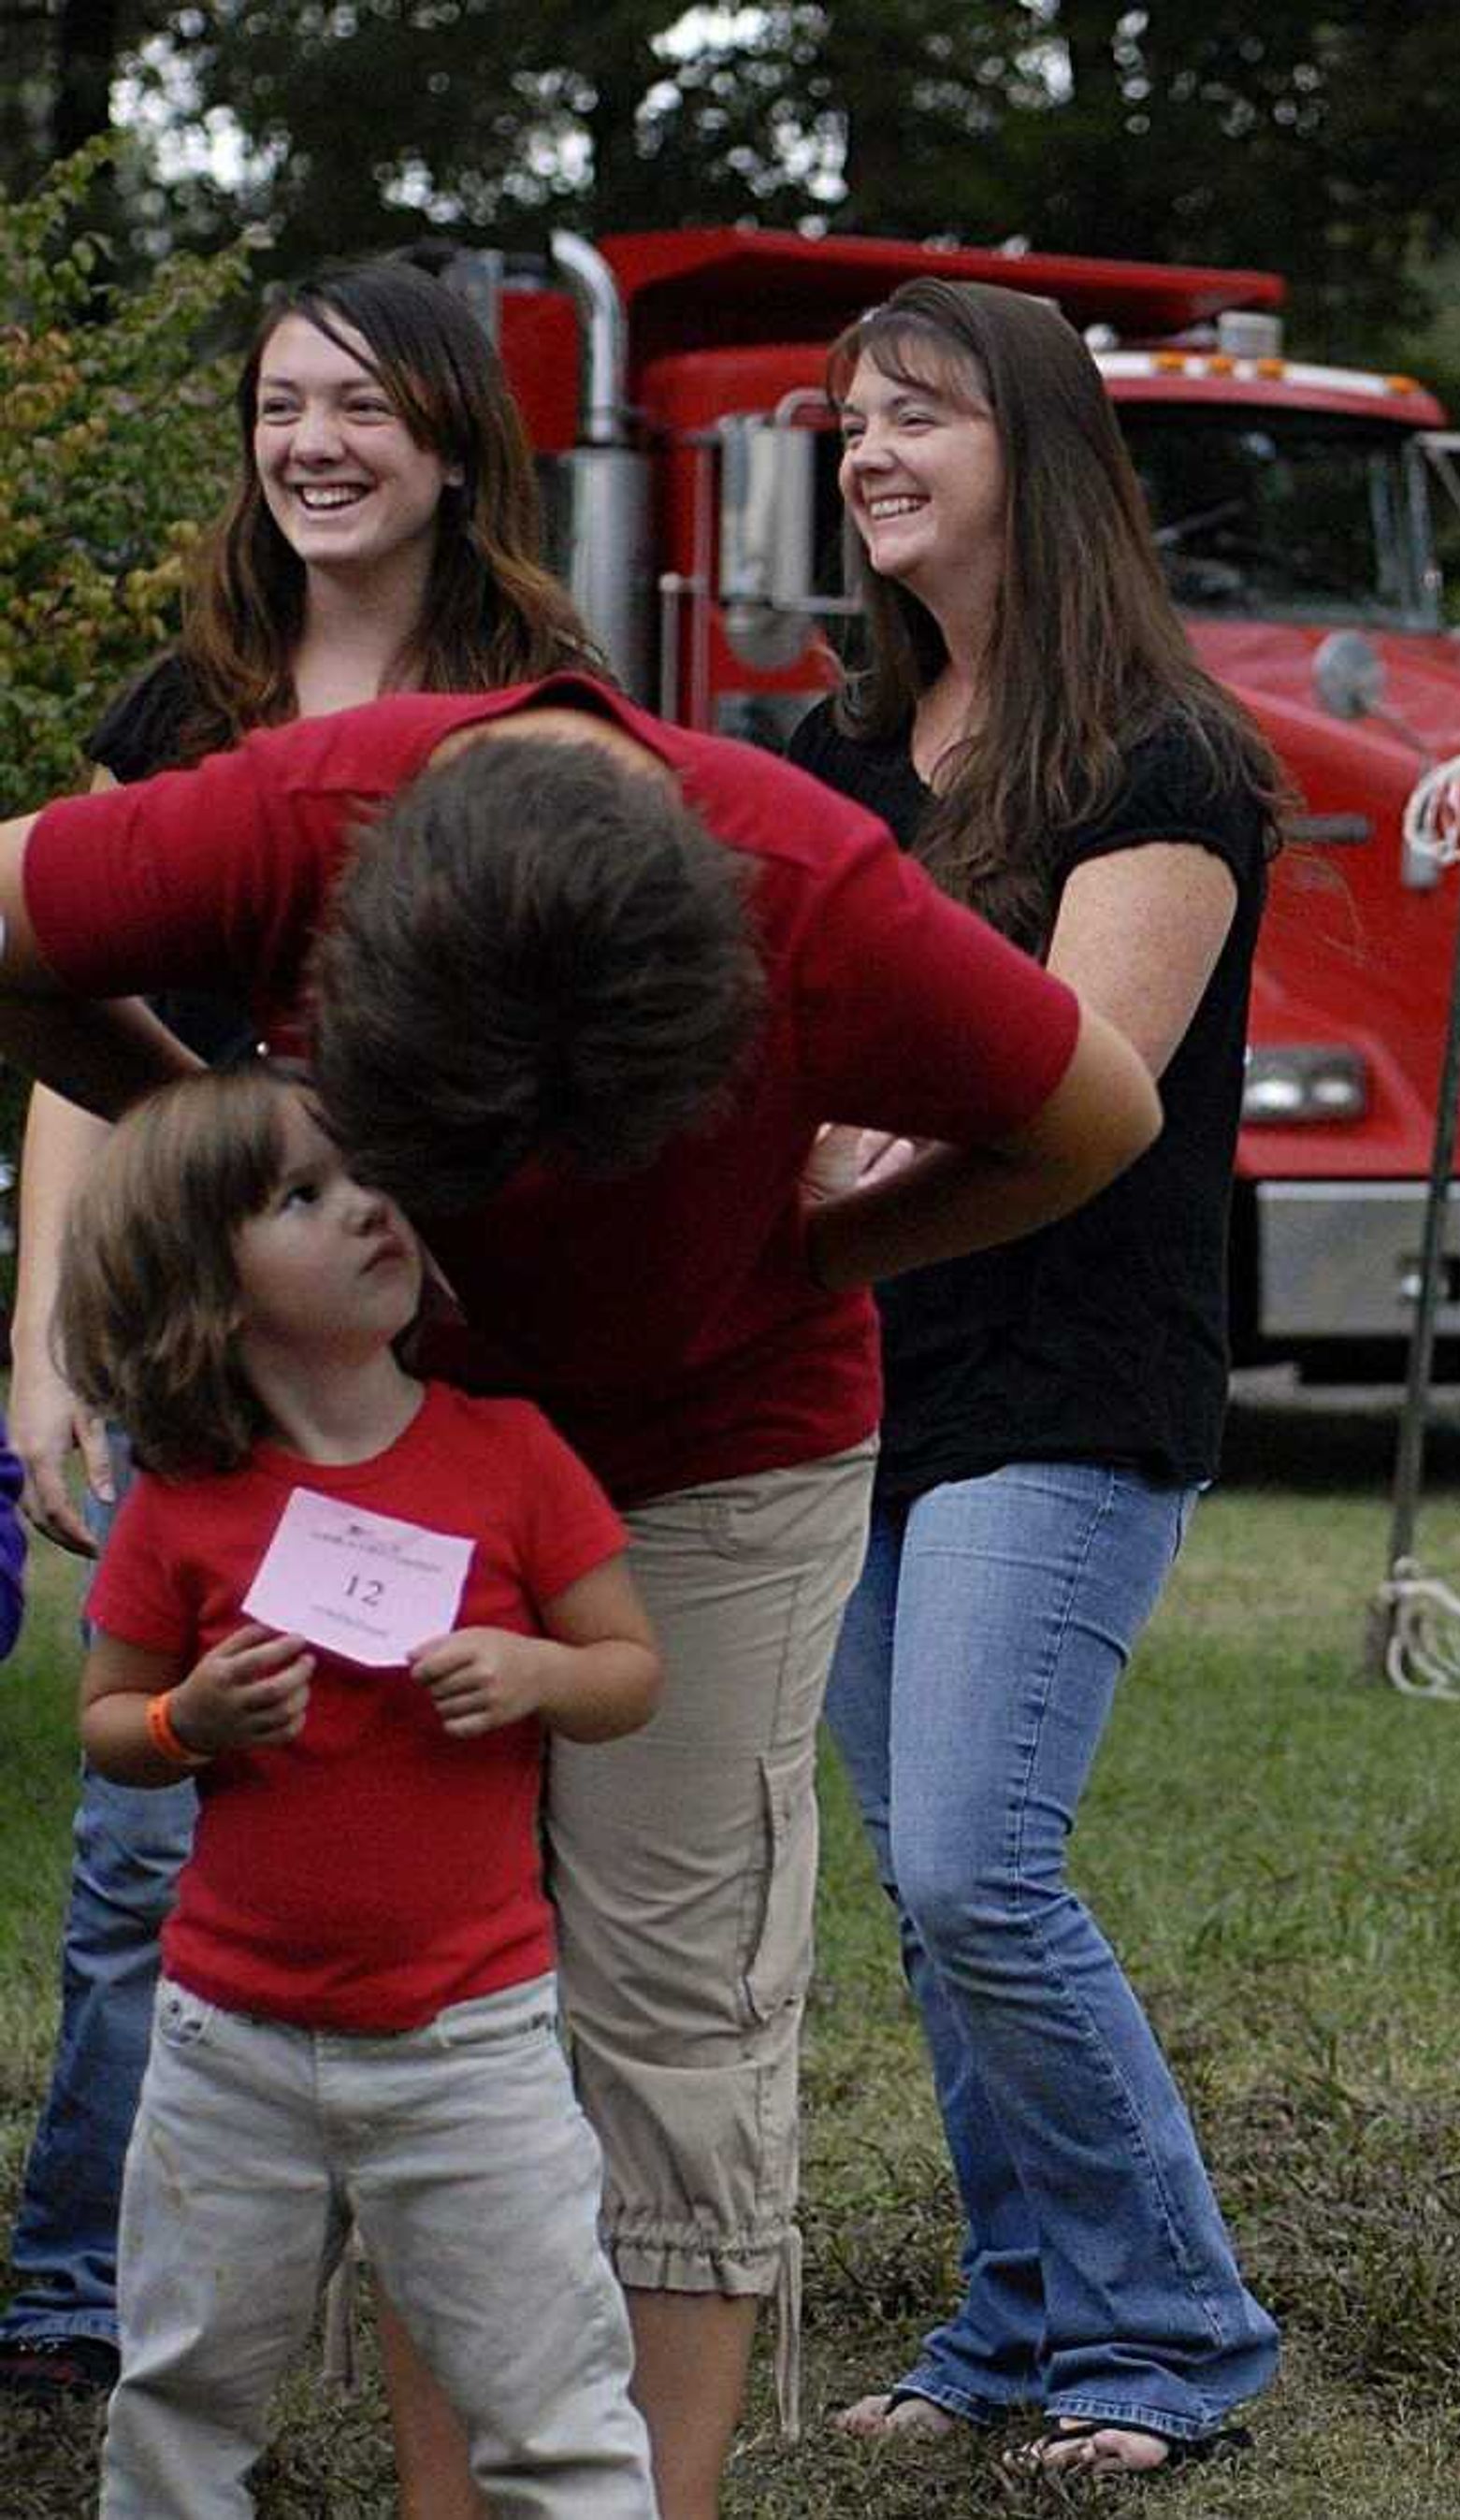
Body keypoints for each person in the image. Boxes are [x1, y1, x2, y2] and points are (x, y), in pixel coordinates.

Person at [0, 680, 1162, 2517]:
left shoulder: (817, 900)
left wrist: (816, 1251)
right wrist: (224, 1154)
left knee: (670, 2017)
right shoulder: (294, 821)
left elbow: (1098, 1111)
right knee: (426, 1986)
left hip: (717, 1457)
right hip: (406, 1452)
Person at [1, 253, 603, 2403]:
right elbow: (84, 1042)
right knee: (154, 1833)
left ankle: (426, 2303)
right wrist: (48, 1351)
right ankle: (85, 2292)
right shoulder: (184, 710)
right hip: (208, 1375)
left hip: (447, 1381)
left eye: (360, 404)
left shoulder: (550, 701)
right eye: (278, 406)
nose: (314, 444)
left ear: (455, 440)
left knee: (419, 1806)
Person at [780, 277, 1279, 2475]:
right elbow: (780, 1064)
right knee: (925, 1883)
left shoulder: (1161, 759)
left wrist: (847, 1152)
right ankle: (1014, 2317)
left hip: (1063, 1374)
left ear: (1037, 454)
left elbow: (1081, 1085)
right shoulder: (837, 756)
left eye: (918, 416)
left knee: (985, 1859)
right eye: (848, 419)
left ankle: (1168, 2324)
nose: (868, 449)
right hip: (845, 1369)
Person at [63, 1067, 660, 2515]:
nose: (370, 1207)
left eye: (366, 1170)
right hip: (229, 2051)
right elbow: (106, 1724)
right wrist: (184, 1717)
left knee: (554, 2400)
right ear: (202, 1281)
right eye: (302, 1196)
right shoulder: (186, 1508)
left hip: (475, 2048)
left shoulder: (509, 1457)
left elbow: (630, 1669)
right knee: (184, 2393)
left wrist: (533, 1672)